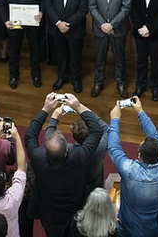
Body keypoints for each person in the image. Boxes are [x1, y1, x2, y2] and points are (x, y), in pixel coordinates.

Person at [25, 93, 105, 237]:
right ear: (67, 149)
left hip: (50, 215)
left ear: (45, 151)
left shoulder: (38, 158)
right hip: (75, 212)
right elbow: (97, 130)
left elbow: (30, 135)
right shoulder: (78, 157)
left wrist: (48, 111)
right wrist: (78, 106)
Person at [108, 96, 158, 237]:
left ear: (139, 156)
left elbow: (113, 146)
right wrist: (140, 111)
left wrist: (115, 119)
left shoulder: (130, 171)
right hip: (157, 227)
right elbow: (154, 135)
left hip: (130, 228)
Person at [88, 0, 132, 98]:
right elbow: (92, 6)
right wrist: (103, 24)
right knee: (99, 57)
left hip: (117, 29)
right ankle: (98, 82)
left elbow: (126, 8)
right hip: (100, 28)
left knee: (120, 58)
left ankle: (120, 83)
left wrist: (112, 24)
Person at [0, 0, 45, 89]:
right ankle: (13, 76)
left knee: (35, 50)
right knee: (14, 51)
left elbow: (43, 0)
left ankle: (36, 75)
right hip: (14, 24)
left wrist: (41, 12)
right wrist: (5, 20)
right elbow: (1, 4)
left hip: (33, 23)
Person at [45, 0, 89, 92]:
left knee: (75, 55)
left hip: (74, 28)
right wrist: (58, 23)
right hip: (57, 27)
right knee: (60, 54)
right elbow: (48, 5)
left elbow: (83, 9)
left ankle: (76, 79)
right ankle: (61, 77)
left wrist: (67, 24)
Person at [45, 106, 109, 196]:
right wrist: (81, 108)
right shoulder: (100, 146)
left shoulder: (67, 150)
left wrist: (55, 116)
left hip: (73, 188)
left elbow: (50, 141)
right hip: (95, 187)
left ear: (73, 135)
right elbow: (107, 130)